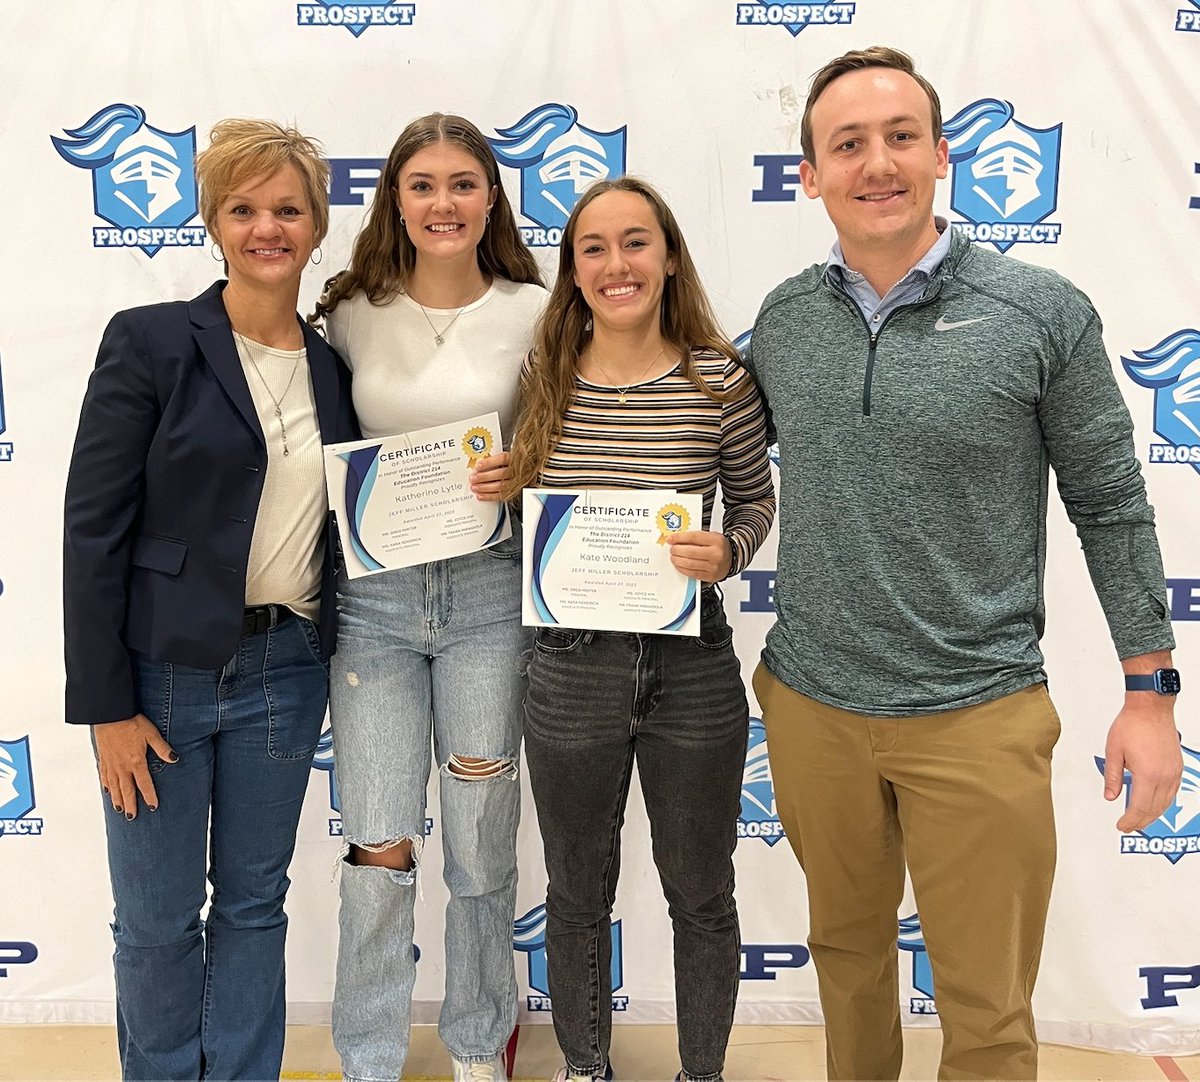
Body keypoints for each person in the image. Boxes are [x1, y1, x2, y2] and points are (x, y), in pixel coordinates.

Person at [745, 46, 1183, 1080]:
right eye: (846, 144)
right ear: (809, 173)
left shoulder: (1043, 313)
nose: (877, 162)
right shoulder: (783, 320)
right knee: (847, 966)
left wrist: (1150, 693)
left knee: (986, 1006)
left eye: (900, 137)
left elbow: (1113, 506)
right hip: (814, 707)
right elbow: (706, 452)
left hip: (977, 712)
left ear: (942, 155)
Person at [63, 119, 358, 1080]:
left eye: (286, 208)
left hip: (286, 669)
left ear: (317, 226)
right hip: (162, 677)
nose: (265, 227)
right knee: (154, 920)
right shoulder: (150, 341)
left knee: (250, 907)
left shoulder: (332, 368)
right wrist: (107, 703)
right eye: (243, 208)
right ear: (212, 222)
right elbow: (93, 530)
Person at [504, 176, 776, 1082]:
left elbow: (755, 499)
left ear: (667, 256)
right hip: (570, 668)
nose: (616, 264)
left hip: (690, 667)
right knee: (577, 894)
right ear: (572, 268)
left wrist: (728, 553)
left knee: (701, 892)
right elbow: (524, 511)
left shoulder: (719, 377)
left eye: (635, 243)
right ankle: (588, 1068)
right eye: (594, 247)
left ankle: (703, 1073)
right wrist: (493, 490)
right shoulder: (544, 374)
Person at [312, 113, 545, 1082]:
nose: (442, 203)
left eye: (462, 183)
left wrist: (523, 470)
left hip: (492, 592)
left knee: (483, 836)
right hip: (375, 601)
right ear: (395, 201)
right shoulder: (349, 312)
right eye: (422, 185)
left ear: (491, 196)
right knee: (377, 838)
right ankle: (368, 1054)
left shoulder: (539, 307)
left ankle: (480, 1043)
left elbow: (569, 442)